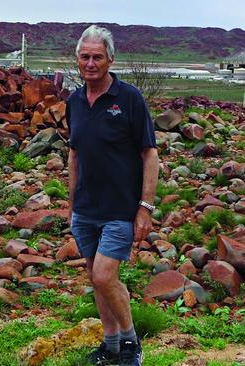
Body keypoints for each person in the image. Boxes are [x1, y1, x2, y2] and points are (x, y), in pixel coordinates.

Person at [65, 25, 159, 366]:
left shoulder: (129, 98)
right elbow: (74, 154)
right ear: (77, 59)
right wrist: (71, 205)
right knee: (97, 278)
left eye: (97, 57)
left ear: (110, 60)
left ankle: (132, 345)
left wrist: (145, 208)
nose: (90, 63)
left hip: (120, 208)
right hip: (86, 209)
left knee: (105, 276)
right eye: (85, 57)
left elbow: (150, 154)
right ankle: (111, 345)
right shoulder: (74, 101)